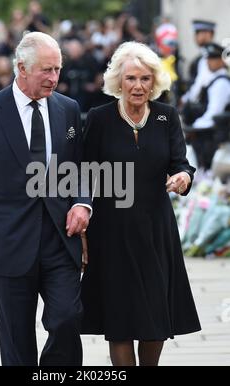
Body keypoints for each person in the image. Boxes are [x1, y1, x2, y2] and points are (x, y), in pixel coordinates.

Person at [0, 31, 91, 366]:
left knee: (67, 319)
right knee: (16, 342)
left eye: (57, 69)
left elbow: (81, 167)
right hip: (10, 242)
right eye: (46, 70)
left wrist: (82, 202)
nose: (54, 78)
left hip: (61, 238)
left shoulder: (68, 109)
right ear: (21, 68)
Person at [81, 41, 201, 366]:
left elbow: (182, 163)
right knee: (119, 322)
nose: (138, 86)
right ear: (118, 81)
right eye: (131, 78)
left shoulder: (167, 116)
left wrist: (183, 177)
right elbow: (83, 177)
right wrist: (82, 232)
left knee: (155, 318)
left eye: (145, 79)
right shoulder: (99, 119)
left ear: (154, 82)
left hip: (156, 230)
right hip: (111, 231)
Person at [184, 42, 230, 170]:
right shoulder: (212, 79)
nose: (210, 62)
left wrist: (193, 127)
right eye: (209, 58)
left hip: (213, 134)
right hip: (209, 132)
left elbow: (214, 114)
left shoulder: (221, 83)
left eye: (214, 58)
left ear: (222, 60)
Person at [181, 20, 216, 105]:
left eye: (198, 33)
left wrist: (186, 99)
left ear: (208, 34)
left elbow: (200, 83)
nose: (195, 37)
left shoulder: (210, 57)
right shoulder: (202, 56)